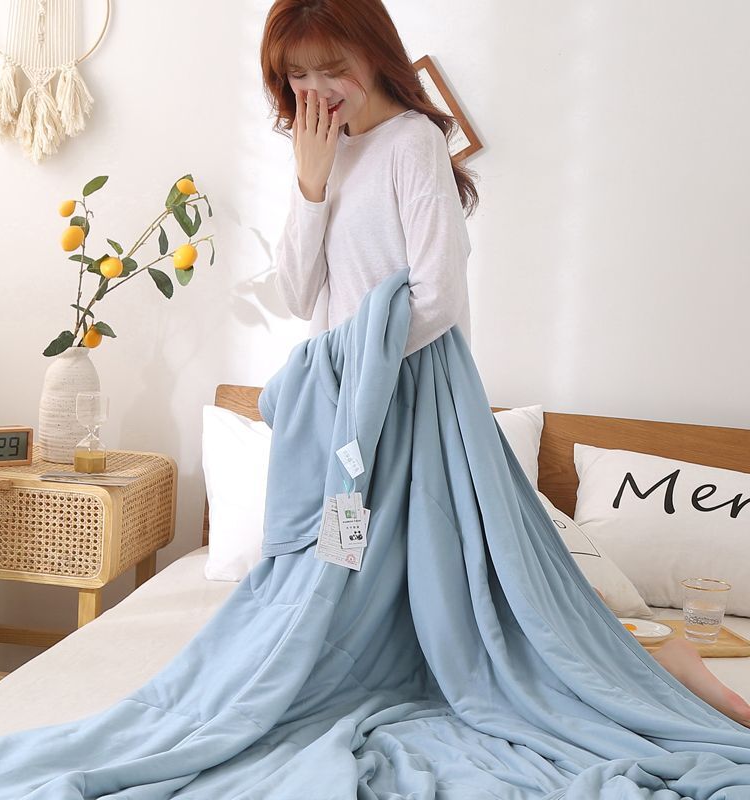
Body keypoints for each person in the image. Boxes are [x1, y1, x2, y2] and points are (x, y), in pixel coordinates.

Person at [259, 0, 750, 729]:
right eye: (297, 75)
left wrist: (356, 371)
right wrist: (311, 184)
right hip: (345, 411)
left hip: (408, 401)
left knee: (463, 586)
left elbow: (437, 297)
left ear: (374, 52)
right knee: (348, 563)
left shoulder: (412, 142)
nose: (315, 91)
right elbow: (299, 295)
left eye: (332, 68)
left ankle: (663, 661)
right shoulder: (321, 154)